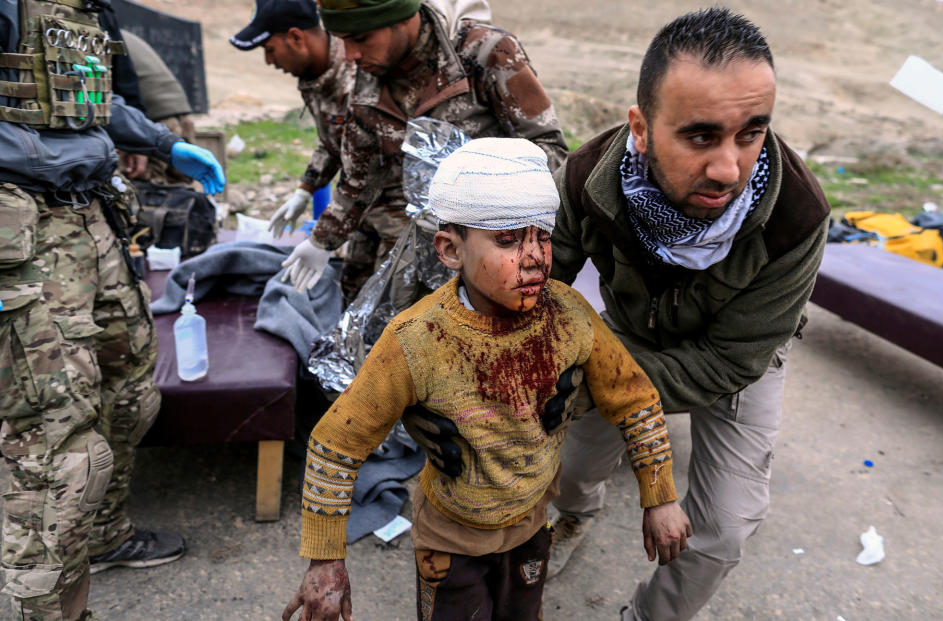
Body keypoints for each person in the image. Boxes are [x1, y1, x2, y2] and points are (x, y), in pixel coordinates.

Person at [281, 138, 690, 621]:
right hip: (450, 539)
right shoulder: (417, 340)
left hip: (533, 525)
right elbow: (336, 443)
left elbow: (634, 398)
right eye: (507, 240)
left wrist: (659, 494)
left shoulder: (570, 316)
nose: (534, 256)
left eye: (542, 236)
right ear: (450, 249)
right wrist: (326, 561)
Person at [543, 8, 831, 621]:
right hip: (623, 338)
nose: (730, 168)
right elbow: (540, 283)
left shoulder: (796, 215)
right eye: (701, 136)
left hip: (737, 362)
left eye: (752, 133)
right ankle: (576, 515)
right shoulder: (586, 181)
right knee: (570, 467)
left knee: (724, 528)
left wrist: (592, 380)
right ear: (641, 129)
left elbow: (732, 359)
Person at [0, 0, 225, 616]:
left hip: (90, 211)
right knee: (53, 442)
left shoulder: (77, 7)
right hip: (20, 222)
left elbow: (83, 101)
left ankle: (100, 536)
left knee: (129, 390)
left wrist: (160, 143)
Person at [280, 0, 568, 299]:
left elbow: (552, 153)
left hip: (501, 258)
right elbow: (360, 176)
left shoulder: (486, 53)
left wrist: (478, 198)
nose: (351, 56)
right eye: (342, 42)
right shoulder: (368, 79)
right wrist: (321, 241)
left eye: (361, 38)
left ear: (404, 20)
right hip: (420, 244)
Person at [229, 0, 355, 264]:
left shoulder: (356, 75)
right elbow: (334, 138)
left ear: (296, 37)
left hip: (391, 212)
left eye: (270, 49)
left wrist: (322, 239)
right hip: (361, 215)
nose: (268, 60)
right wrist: (305, 189)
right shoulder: (318, 75)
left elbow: (364, 164)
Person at [119, 28, 198, 185]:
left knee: (152, 187)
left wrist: (137, 142)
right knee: (181, 182)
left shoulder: (100, 33)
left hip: (156, 120)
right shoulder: (123, 34)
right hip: (181, 112)